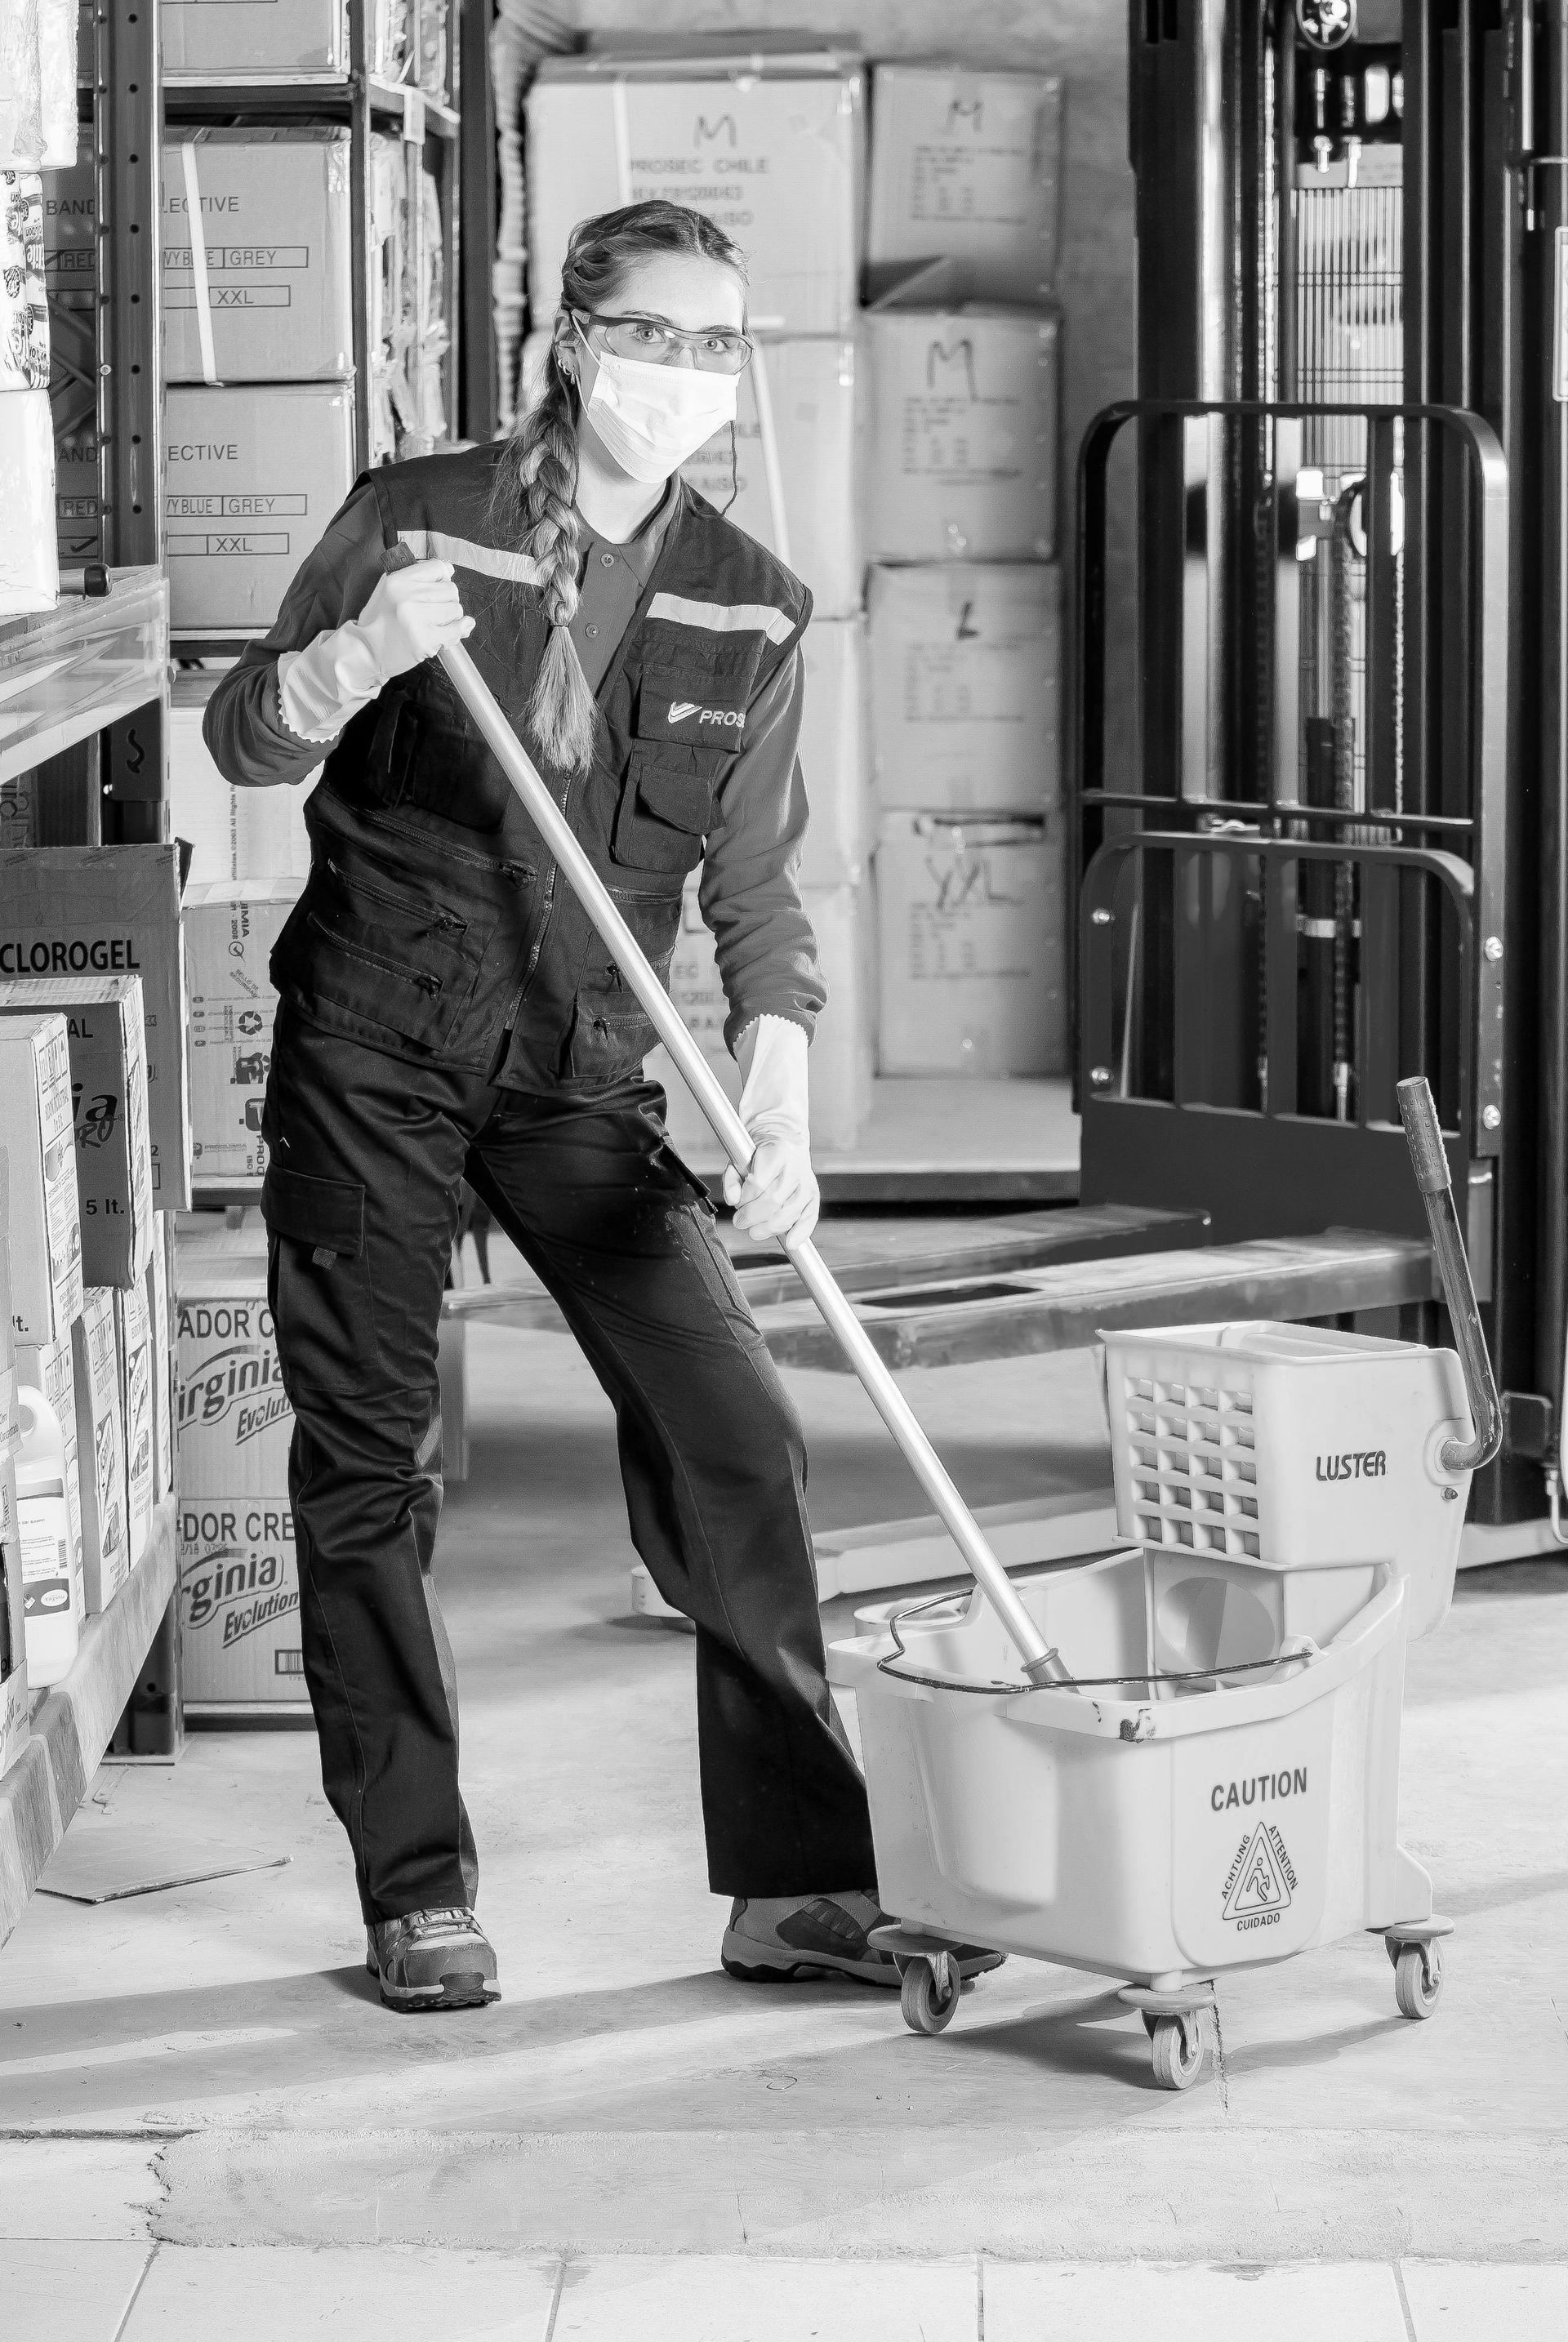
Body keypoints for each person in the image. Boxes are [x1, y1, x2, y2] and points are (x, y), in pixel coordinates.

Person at [206, 199, 1003, 2014]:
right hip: (376, 1052)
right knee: (366, 1467)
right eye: (659, 337)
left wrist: (778, 1095)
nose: (691, 377)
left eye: (724, 346)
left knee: (737, 1431)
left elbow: (756, 898)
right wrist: (349, 662)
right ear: (577, 343)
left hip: (579, 1066)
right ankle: (417, 1889)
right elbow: (246, 737)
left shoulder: (750, 594)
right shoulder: (420, 521)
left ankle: (795, 1883)